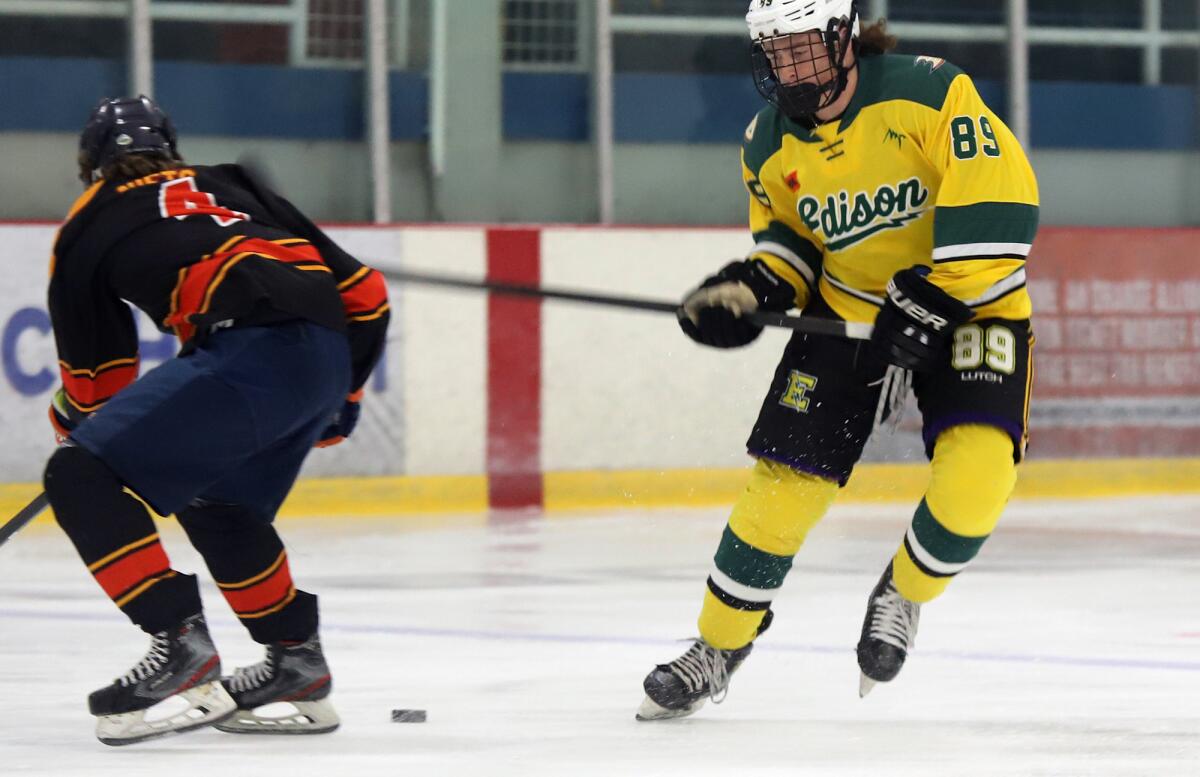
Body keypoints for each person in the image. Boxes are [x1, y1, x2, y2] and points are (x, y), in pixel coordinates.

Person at [637, 0, 1037, 720]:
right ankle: (719, 644)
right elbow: (790, 245)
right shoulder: (766, 143)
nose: (788, 66)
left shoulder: (931, 93)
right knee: (783, 483)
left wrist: (935, 300)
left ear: (843, 37)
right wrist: (750, 288)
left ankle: (904, 592)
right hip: (852, 309)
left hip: (973, 304)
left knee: (979, 474)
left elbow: (1003, 206)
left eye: (801, 48)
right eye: (774, 51)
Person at [43, 96, 390, 745]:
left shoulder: (88, 225)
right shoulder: (231, 183)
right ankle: (296, 663)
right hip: (316, 358)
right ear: (171, 147)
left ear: (89, 165)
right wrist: (340, 400)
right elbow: (366, 295)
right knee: (219, 503)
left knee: (76, 475)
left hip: (249, 349)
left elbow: (98, 389)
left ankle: (179, 645)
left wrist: (78, 440)